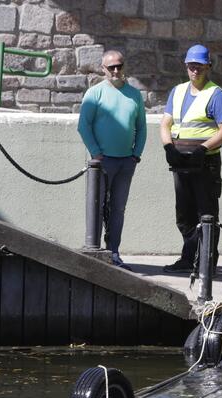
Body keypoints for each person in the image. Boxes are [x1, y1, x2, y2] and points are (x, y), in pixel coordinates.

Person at [160, 44, 222, 274]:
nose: (195, 70)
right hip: (181, 162)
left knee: (207, 214)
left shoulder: (216, 94)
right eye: (191, 66)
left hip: (205, 163)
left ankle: (207, 261)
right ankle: (188, 257)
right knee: (184, 215)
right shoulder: (178, 91)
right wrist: (168, 146)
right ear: (186, 67)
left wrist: (203, 148)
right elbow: (166, 123)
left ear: (208, 67)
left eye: (199, 66)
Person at [77, 50, 146, 271]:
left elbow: (141, 127)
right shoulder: (94, 93)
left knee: (118, 208)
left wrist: (136, 153)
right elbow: (84, 125)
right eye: (111, 67)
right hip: (101, 162)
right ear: (103, 69)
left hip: (126, 161)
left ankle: (114, 251)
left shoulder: (134, 94)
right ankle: (94, 250)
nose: (116, 70)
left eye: (119, 66)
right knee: (96, 206)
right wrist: (96, 152)